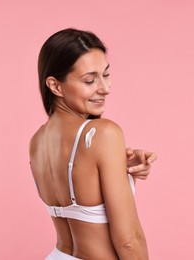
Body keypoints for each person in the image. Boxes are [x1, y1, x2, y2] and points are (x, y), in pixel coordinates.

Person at [29, 28, 151, 259]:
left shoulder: (37, 141)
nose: (105, 88)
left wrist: (124, 170)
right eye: (89, 80)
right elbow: (128, 240)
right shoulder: (103, 134)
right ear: (55, 86)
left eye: (105, 75)